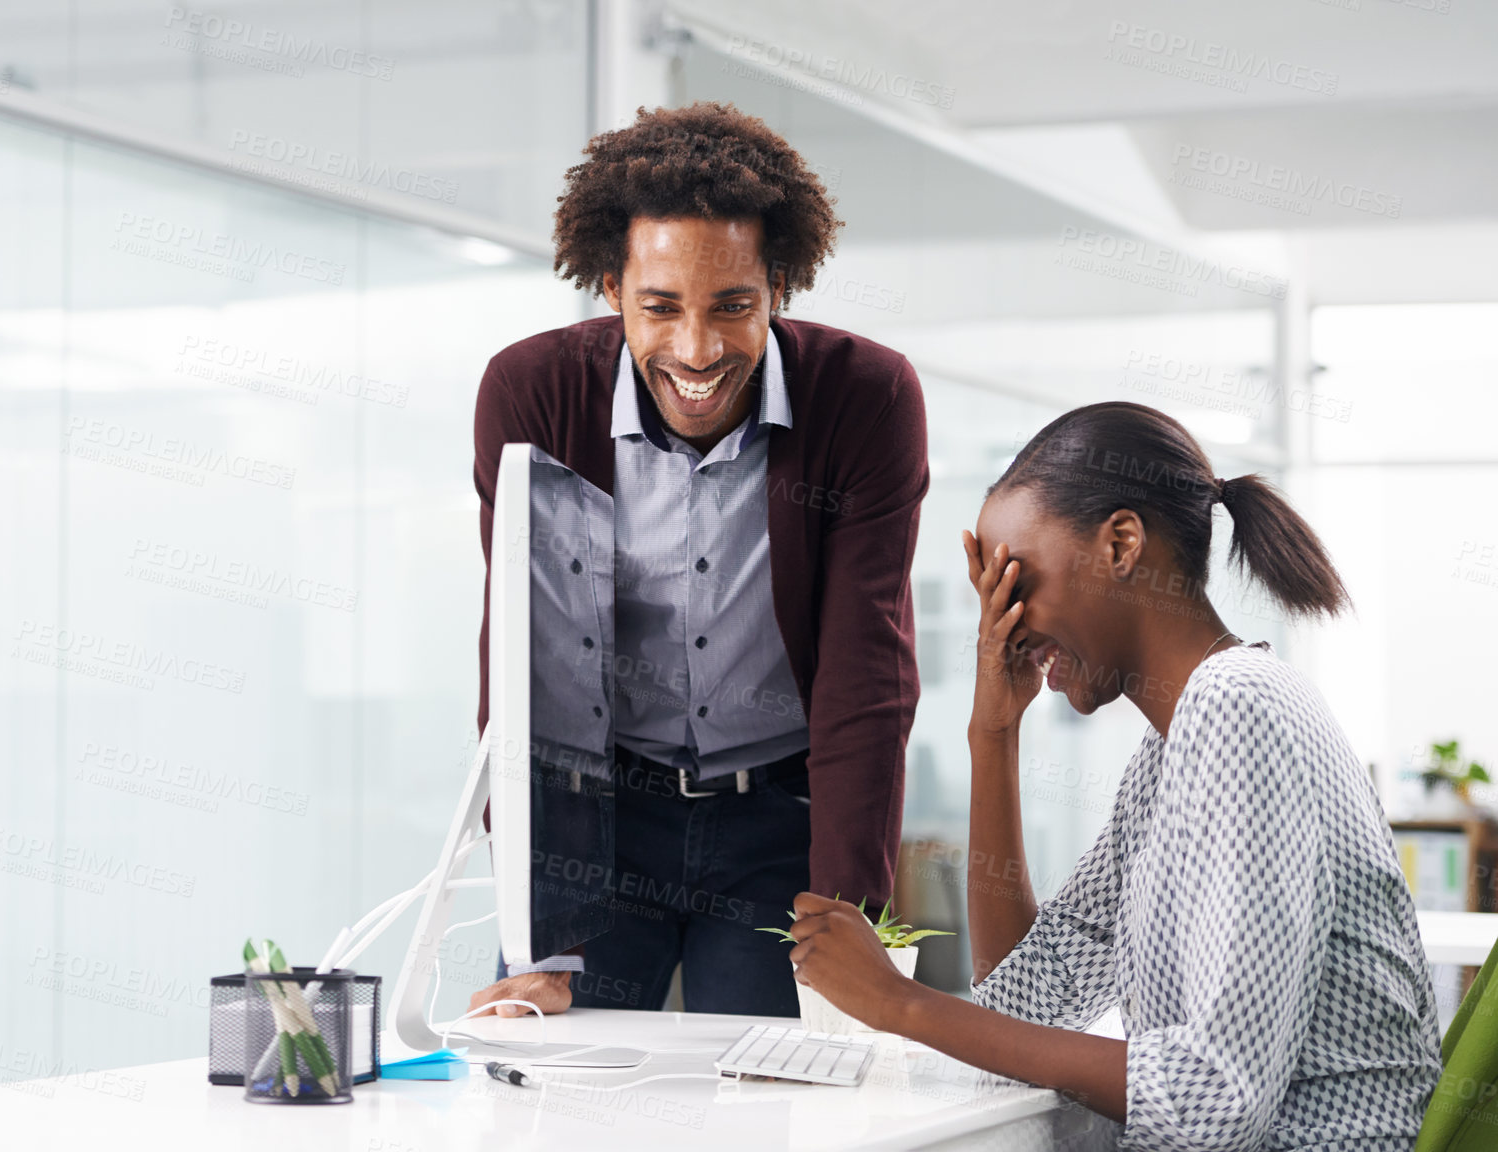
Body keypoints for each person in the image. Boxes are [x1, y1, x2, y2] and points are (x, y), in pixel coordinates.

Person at [784, 401, 1441, 1145]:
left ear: (1121, 543)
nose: (1006, 623)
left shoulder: (1238, 708)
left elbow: (1214, 1101)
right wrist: (992, 733)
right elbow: (1022, 1004)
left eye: (1017, 584)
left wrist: (901, 1005)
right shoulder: (1169, 752)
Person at [467, 102, 929, 1019]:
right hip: (595, 825)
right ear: (609, 287)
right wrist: (539, 929)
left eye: (733, 307)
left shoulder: (866, 398)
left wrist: (852, 917)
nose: (696, 350)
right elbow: (522, 663)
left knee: (779, 1101)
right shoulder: (531, 392)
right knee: (561, 1098)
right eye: (660, 307)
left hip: (778, 832)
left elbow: (865, 676)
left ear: (779, 288)